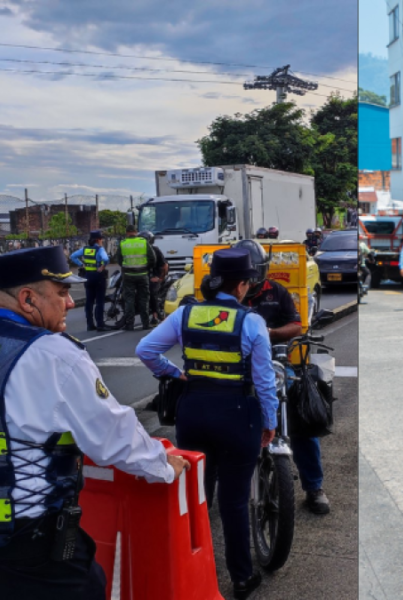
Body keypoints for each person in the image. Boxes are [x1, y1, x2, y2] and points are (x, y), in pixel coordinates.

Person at [0, 246, 189, 600]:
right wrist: (163, 465)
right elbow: (111, 436)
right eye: (61, 293)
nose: (71, 303)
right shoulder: (54, 354)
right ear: (28, 299)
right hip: (27, 546)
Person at [136, 248, 277, 600]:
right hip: (237, 415)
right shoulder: (251, 322)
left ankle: (188, 575)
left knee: (195, 498)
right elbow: (264, 382)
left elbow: (145, 350)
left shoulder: (185, 314)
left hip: (193, 412)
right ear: (243, 285)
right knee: (234, 502)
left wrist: (176, 374)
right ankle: (241, 579)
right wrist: (270, 422)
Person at [235, 239, 331, 516]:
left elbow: (296, 325)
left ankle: (314, 487)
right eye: (245, 276)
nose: (248, 281)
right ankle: (209, 485)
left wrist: (268, 334)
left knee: (303, 420)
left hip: (276, 366)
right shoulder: (228, 296)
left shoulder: (276, 291)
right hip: (235, 369)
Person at [70, 230, 111, 331]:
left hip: (87, 277)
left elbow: (73, 256)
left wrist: (81, 265)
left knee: (89, 301)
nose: (102, 241)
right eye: (101, 239)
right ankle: (100, 324)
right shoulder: (100, 249)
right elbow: (105, 259)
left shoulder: (85, 249)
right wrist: (102, 266)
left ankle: (90, 324)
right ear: (98, 240)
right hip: (98, 277)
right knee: (100, 301)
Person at [119, 225, 157, 330]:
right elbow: (152, 258)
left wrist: (126, 267)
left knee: (129, 299)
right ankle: (145, 324)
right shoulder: (143, 242)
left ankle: (130, 324)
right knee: (144, 299)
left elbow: (118, 259)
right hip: (142, 275)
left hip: (128, 276)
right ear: (136, 232)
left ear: (127, 233)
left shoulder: (123, 243)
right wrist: (147, 268)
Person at [141, 231, 168, 324]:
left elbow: (164, 265)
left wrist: (160, 278)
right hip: (142, 277)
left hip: (154, 278)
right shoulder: (138, 251)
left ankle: (155, 316)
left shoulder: (155, 250)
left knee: (152, 293)